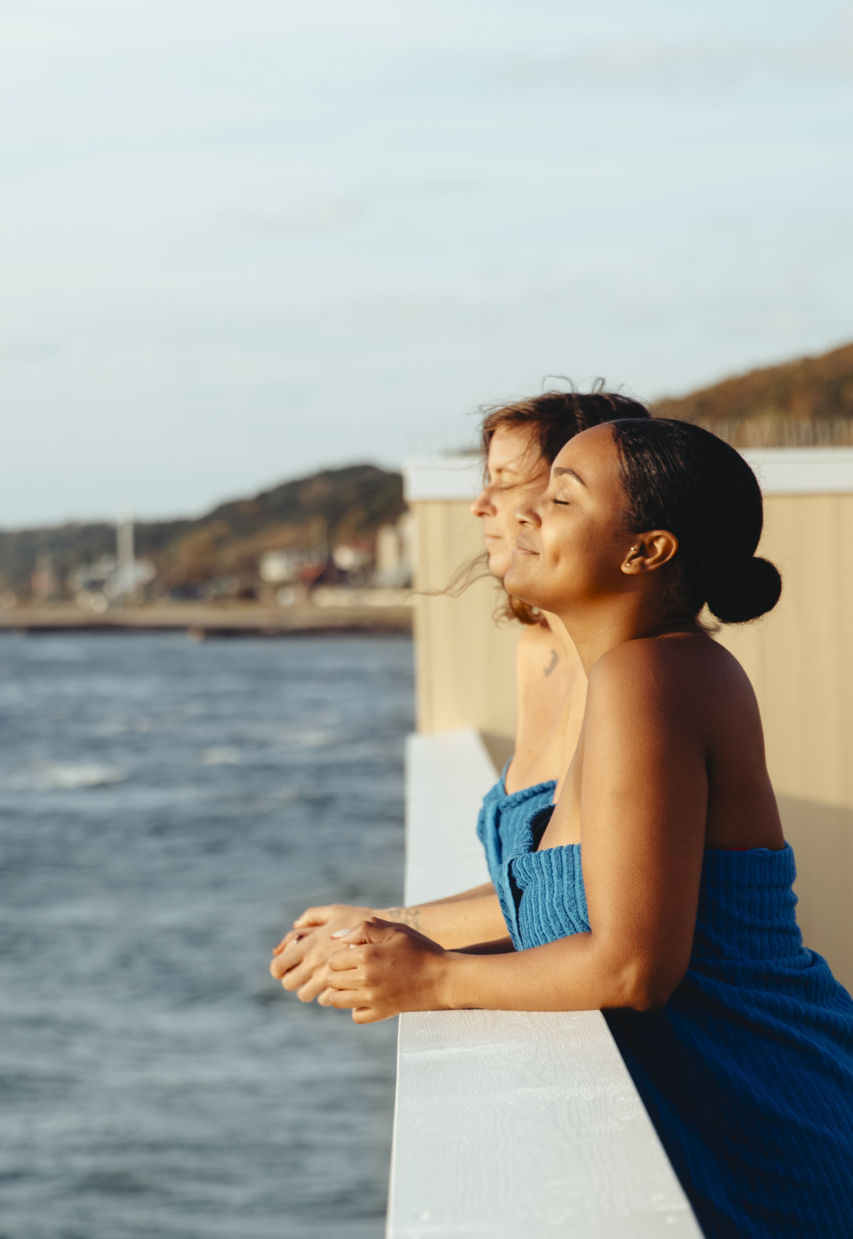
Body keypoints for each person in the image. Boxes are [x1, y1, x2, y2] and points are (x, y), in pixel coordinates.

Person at [300, 418, 853, 1239]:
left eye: (560, 497)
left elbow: (628, 963)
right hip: (732, 1118)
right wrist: (390, 926)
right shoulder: (627, 677)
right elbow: (558, 894)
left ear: (646, 551)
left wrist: (428, 981)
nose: (520, 510)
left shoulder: (654, 679)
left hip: (770, 1137)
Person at [268, 389, 646, 998]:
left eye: (503, 480)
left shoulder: (633, 678)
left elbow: (600, 911)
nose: (481, 505)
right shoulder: (540, 651)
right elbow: (535, 887)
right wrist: (379, 925)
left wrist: (399, 942)